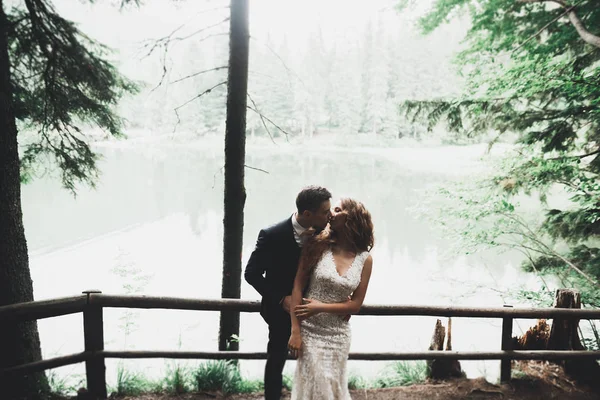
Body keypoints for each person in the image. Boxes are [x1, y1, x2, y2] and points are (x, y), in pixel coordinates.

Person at [244, 185, 332, 400]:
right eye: (325, 212)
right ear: (307, 214)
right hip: (280, 311)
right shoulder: (271, 234)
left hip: (316, 309)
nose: (329, 215)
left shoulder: (327, 233)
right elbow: (251, 274)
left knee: (319, 361)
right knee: (276, 360)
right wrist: (280, 298)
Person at [288, 198, 374, 400]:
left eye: (337, 209)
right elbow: (297, 286)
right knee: (316, 385)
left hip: (338, 335)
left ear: (352, 217)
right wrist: (295, 331)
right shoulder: (316, 245)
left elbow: (355, 304)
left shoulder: (365, 259)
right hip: (310, 331)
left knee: (333, 387)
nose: (330, 214)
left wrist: (321, 307)